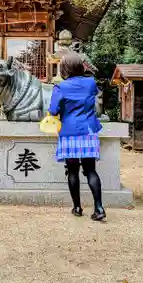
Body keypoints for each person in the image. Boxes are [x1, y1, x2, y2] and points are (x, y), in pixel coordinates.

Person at [48, 52, 106, 221]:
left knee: (72, 171)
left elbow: (53, 110)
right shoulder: (90, 84)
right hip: (88, 130)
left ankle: (77, 208)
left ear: (64, 68)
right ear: (81, 66)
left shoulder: (60, 87)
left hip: (69, 132)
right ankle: (99, 208)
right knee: (90, 170)